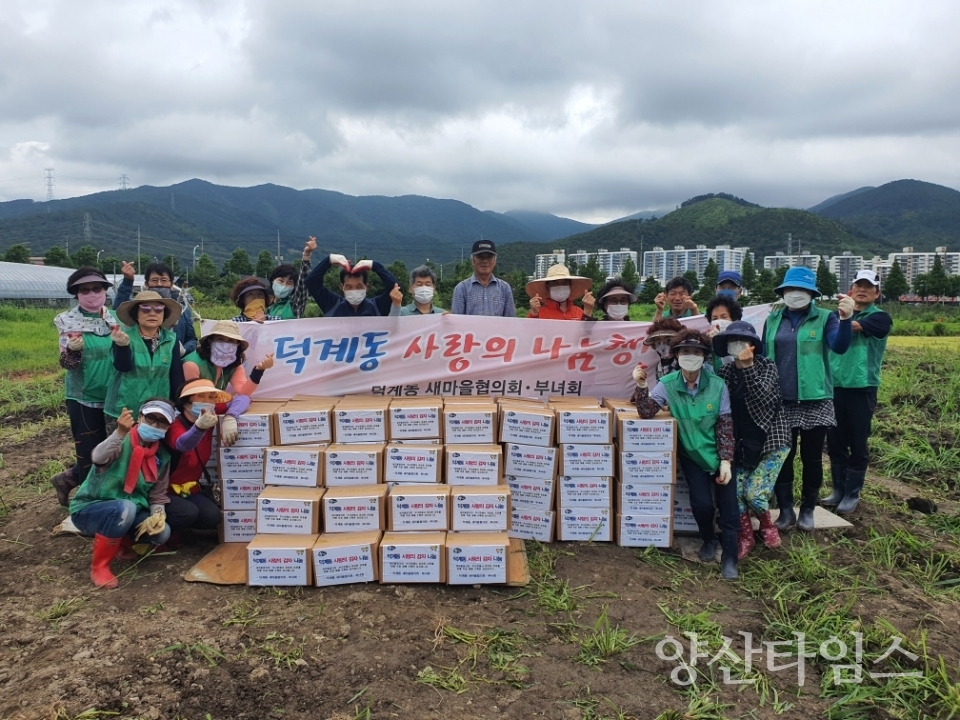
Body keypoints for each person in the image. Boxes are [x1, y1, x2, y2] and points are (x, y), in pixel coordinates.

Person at [632, 329, 739, 580]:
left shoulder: (717, 385)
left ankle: (730, 557)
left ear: (704, 357)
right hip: (692, 454)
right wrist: (641, 387)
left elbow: (725, 424)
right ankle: (709, 540)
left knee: (729, 507)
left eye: (697, 352)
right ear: (677, 355)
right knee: (702, 504)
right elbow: (647, 411)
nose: (691, 356)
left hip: (717, 452)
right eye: (686, 352)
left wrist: (726, 460)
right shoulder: (668, 384)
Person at [762, 266, 853, 532]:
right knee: (783, 456)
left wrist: (846, 319)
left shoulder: (826, 318)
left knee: (812, 457)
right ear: (783, 292)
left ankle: (809, 510)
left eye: (802, 290)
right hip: (781, 400)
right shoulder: (774, 319)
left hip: (815, 399)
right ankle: (787, 510)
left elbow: (839, 345)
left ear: (812, 294)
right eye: (791, 289)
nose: (796, 294)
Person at [69, 400, 176, 589]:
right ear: (140, 417)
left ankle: (121, 544)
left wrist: (158, 515)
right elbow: (97, 458)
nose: (155, 425)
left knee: (162, 533)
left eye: (162, 422)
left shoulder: (162, 456)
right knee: (124, 508)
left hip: (128, 511)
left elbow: (157, 494)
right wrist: (119, 433)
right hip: (91, 509)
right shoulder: (122, 440)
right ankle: (99, 566)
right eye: (150, 418)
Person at [713, 321, 792, 559]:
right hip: (741, 444)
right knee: (735, 493)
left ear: (753, 345)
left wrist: (747, 367)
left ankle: (768, 525)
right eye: (732, 340)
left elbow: (764, 399)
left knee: (754, 493)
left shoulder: (767, 366)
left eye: (741, 340)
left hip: (771, 440)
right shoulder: (724, 373)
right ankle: (745, 537)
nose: (737, 345)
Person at [50, 268, 121, 507]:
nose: (92, 294)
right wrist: (72, 350)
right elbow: (67, 364)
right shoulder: (68, 321)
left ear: (105, 291)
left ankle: (68, 479)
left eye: (97, 288)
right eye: (85, 290)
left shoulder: (115, 319)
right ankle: (88, 502)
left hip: (114, 395)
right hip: (84, 396)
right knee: (89, 450)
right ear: (76, 294)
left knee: (111, 449)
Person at [825, 270, 892, 515]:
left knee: (857, 441)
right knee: (834, 441)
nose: (862, 290)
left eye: (868, 287)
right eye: (858, 285)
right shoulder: (834, 316)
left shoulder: (880, 318)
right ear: (851, 290)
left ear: (877, 293)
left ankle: (852, 493)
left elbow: (850, 326)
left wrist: (844, 316)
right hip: (833, 388)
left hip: (862, 389)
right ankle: (838, 489)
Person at [164, 380, 247, 535]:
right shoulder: (174, 424)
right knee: (188, 512)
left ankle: (184, 531)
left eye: (211, 397)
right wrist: (199, 428)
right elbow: (182, 444)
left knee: (212, 516)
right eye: (200, 396)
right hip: (164, 491)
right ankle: (162, 537)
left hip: (190, 489)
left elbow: (243, 398)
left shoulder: (210, 415)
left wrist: (230, 417)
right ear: (186, 401)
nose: (207, 401)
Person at [105, 291, 185, 422]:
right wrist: (122, 346)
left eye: (159, 309)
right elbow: (123, 366)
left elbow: (175, 374)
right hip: (124, 411)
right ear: (136, 314)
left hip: (158, 411)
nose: (152, 313)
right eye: (145, 309)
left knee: (154, 442)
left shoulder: (171, 340)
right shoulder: (123, 337)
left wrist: (180, 406)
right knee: (121, 443)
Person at [113, 261, 197, 354]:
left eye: (164, 280)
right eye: (154, 280)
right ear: (147, 284)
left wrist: (184, 350)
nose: (159, 284)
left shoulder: (182, 311)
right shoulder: (138, 308)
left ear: (171, 284)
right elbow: (118, 309)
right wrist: (127, 281)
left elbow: (192, 339)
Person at [182, 320, 275, 398]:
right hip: (195, 407)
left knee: (243, 400)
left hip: (214, 404)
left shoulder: (234, 365)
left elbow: (244, 393)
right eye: (220, 339)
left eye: (231, 341)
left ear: (237, 345)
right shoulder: (192, 364)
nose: (225, 345)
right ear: (210, 342)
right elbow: (196, 397)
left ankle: (230, 417)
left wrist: (259, 370)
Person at [305, 253, 402, 317]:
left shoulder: (377, 306)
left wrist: (375, 266)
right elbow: (311, 282)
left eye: (359, 286)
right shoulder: (332, 304)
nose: (354, 290)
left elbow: (396, 289)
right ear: (341, 288)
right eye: (349, 287)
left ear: (366, 287)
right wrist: (328, 260)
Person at [451, 240, 516, 317]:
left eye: (489, 257)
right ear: (472, 261)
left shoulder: (505, 288)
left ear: (495, 261)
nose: (485, 261)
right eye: (480, 257)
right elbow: (457, 322)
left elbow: (510, 321)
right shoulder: (461, 289)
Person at [267, 237, 316, 319]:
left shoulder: (294, 304)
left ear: (294, 287)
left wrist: (306, 254)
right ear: (273, 281)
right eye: (281, 281)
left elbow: (303, 282)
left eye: (289, 283)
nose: (284, 285)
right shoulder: (267, 308)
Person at [525, 265, 596, 320]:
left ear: (570, 286)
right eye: (555, 283)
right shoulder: (538, 313)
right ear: (547, 287)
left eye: (564, 283)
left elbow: (586, 334)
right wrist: (534, 314)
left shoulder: (578, 312)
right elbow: (528, 333)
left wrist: (588, 311)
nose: (560, 287)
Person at [641, 317, 683, 383]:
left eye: (668, 339)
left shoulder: (685, 362)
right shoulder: (659, 366)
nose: (662, 344)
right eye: (658, 340)